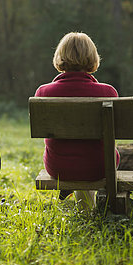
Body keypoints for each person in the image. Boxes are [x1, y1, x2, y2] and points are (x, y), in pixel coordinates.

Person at [35, 31, 119, 211]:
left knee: (76, 156)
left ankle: (86, 211)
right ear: (93, 57)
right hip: (100, 168)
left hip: (59, 168)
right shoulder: (108, 92)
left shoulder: (43, 93)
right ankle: (93, 211)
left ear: (60, 56)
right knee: (96, 155)